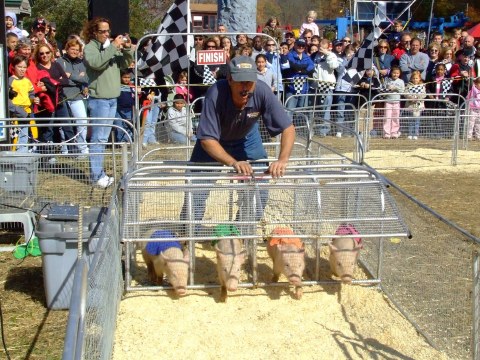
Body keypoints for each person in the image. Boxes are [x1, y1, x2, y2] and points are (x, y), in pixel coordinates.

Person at [182, 55, 295, 231]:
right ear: (229, 79)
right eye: (240, 82)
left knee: (260, 189)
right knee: (196, 188)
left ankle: (242, 228)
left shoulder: (262, 91)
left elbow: (288, 128)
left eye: (249, 82)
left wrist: (283, 159)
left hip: (247, 138)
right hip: (214, 141)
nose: (246, 88)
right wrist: (233, 163)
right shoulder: (215, 93)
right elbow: (206, 139)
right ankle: (188, 231)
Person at [82, 17, 134, 188]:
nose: (106, 34)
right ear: (94, 32)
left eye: (108, 31)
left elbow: (125, 64)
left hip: (112, 99)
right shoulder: (90, 48)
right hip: (99, 101)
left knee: (104, 138)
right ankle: (96, 175)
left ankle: (99, 173)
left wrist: (127, 50)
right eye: (102, 31)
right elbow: (96, 63)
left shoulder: (109, 48)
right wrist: (112, 47)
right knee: (98, 138)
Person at [57, 37, 90, 156]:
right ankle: (65, 148)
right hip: (63, 96)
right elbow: (60, 79)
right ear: (67, 49)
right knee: (64, 124)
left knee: (82, 120)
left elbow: (85, 78)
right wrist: (77, 78)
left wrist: (70, 75)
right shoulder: (60, 61)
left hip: (77, 96)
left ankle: (82, 147)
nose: (74, 51)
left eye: (77, 50)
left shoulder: (81, 63)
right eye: (72, 49)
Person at [8, 55, 39, 152]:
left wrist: (33, 99)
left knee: (24, 136)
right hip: (15, 114)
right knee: (15, 138)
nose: (22, 70)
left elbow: (31, 94)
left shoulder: (27, 81)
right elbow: (7, 100)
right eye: (19, 67)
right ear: (14, 66)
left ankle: (22, 159)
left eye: (24, 67)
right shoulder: (10, 81)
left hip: (26, 113)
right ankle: (13, 160)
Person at [284, 38, 315, 110]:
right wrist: (304, 67)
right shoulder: (290, 54)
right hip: (292, 88)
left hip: (304, 88)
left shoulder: (306, 56)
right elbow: (293, 66)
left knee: (301, 112)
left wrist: (303, 71)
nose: (301, 47)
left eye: (303, 46)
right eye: (299, 45)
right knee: (289, 110)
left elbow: (312, 67)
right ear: (295, 45)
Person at [382, 66, 405, 138]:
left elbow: (402, 91)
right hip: (388, 101)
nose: (395, 74)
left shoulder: (401, 81)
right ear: (391, 73)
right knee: (387, 117)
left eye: (397, 73)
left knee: (395, 117)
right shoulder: (387, 80)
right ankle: (387, 133)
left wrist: (396, 88)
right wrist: (388, 89)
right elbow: (383, 89)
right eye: (394, 73)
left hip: (396, 102)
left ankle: (394, 132)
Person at [404, 70, 426, 140]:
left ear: (419, 78)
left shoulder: (422, 86)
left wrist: (418, 97)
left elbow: (424, 94)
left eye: (416, 78)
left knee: (417, 120)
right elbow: (405, 93)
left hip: (418, 105)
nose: (415, 80)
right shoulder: (408, 86)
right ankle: (410, 133)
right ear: (411, 78)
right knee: (411, 120)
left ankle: (416, 133)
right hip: (411, 105)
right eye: (413, 78)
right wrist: (410, 97)